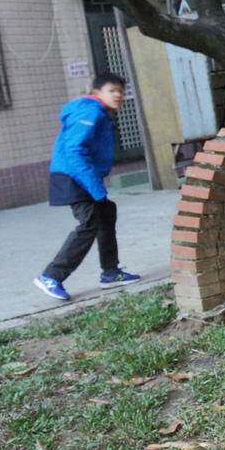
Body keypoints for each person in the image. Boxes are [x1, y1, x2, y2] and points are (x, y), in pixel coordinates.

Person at [33, 73, 140, 301]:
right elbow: (75, 151)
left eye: (121, 91)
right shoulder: (90, 112)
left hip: (80, 175)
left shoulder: (99, 112)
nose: (118, 95)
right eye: (112, 90)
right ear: (97, 92)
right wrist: (96, 188)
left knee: (106, 213)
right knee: (89, 223)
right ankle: (51, 276)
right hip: (71, 176)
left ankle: (110, 273)